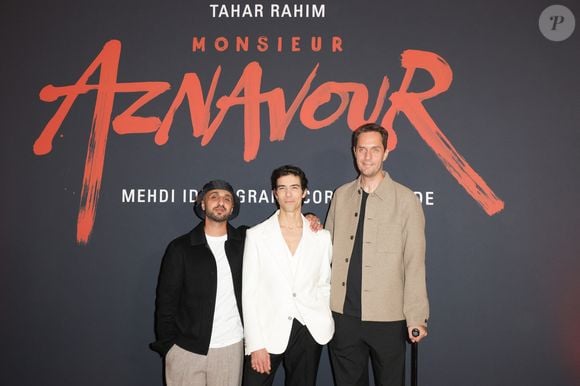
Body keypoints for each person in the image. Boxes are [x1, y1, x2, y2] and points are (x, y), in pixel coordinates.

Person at [326, 123, 429, 386]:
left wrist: (416, 316)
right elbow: (325, 253)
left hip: (388, 318)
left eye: (374, 149)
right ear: (354, 152)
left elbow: (414, 262)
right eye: (362, 149)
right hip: (343, 316)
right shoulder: (341, 195)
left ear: (385, 153)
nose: (367, 156)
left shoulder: (405, 200)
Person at [242, 165, 334, 386]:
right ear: (275, 193)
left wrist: (320, 315)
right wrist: (255, 344)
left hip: (308, 329)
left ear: (304, 192)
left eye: (294, 187)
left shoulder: (321, 237)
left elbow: (324, 283)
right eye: (282, 188)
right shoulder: (256, 236)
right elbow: (249, 292)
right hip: (268, 331)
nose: (289, 194)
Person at [150, 180, 245, 386]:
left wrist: (308, 217)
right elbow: (166, 301)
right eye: (214, 197)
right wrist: (169, 347)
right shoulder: (181, 248)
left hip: (230, 348)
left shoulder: (245, 242)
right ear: (202, 204)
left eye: (227, 198)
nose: (221, 202)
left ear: (232, 207)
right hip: (185, 350)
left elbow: (279, 229)